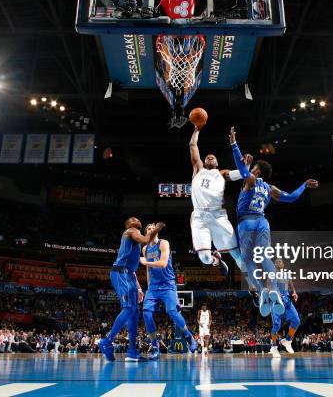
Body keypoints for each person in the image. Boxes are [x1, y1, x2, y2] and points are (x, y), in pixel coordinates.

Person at [229, 127, 318, 316]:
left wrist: (234, 144)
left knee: (248, 259)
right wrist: (304, 185)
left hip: (246, 222)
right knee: (266, 257)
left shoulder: (251, 179)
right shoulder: (270, 188)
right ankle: (276, 291)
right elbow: (292, 197)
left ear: (257, 170)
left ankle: (262, 292)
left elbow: (242, 168)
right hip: (262, 222)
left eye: (253, 168)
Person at [97, 217, 164, 362]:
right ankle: (107, 341)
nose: (138, 219)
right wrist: (157, 229)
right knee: (129, 309)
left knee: (134, 312)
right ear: (129, 224)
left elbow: (132, 269)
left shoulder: (134, 239)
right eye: (134, 219)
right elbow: (146, 239)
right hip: (121, 273)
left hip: (128, 274)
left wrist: (139, 288)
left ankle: (132, 351)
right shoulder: (131, 231)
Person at [188, 126, 250, 279]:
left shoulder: (221, 173)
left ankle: (254, 284)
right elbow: (192, 146)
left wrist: (246, 167)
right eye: (208, 156)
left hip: (218, 216)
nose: (210, 157)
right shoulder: (198, 168)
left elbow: (239, 174)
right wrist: (197, 129)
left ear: (217, 163)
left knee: (236, 253)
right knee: (204, 258)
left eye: (213, 157)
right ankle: (216, 259)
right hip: (199, 216)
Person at [140, 224, 198, 360]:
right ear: (146, 233)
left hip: (168, 285)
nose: (150, 229)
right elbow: (148, 270)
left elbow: (163, 263)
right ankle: (155, 347)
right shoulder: (144, 249)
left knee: (172, 312)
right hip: (153, 287)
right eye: (148, 229)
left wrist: (146, 261)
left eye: (152, 228)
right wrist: (148, 287)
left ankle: (189, 336)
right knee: (146, 313)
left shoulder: (164, 243)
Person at [269, 258, 300, 358]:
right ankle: (273, 347)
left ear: (283, 264)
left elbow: (291, 285)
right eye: (276, 262)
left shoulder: (287, 274)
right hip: (276, 300)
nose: (278, 262)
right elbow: (269, 286)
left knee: (296, 321)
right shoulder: (272, 274)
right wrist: (276, 292)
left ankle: (287, 340)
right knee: (277, 324)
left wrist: (294, 292)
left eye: (279, 261)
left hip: (286, 299)